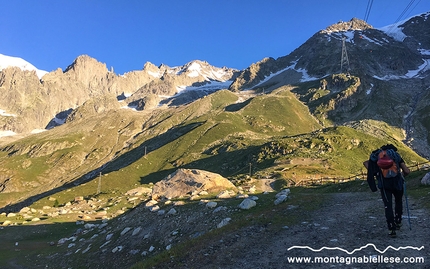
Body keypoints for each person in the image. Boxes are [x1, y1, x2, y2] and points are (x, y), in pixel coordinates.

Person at [363, 144, 410, 237]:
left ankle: (391, 228)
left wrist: (376, 172)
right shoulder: (396, 156)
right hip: (397, 183)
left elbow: (365, 163)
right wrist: (402, 176)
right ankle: (398, 221)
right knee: (398, 201)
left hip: (384, 185)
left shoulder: (377, 156)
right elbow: (407, 171)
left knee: (387, 205)